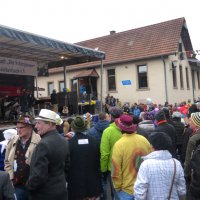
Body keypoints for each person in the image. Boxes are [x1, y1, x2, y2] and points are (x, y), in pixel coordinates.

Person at [26, 109, 70, 200]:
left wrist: (28, 186)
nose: (36, 126)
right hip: (61, 192)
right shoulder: (63, 140)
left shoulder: (44, 144)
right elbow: (67, 167)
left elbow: (38, 175)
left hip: (44, 195)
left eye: (39, 123)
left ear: (49, 124)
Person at [134, 132, 186, 200]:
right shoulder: (176, 163)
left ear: (152, 146)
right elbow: (182, 190)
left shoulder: (146, 164)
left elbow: (140, 191)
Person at [111, 114, 152, 200]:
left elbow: (116, 171)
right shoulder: (144, 140)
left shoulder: (119, 145)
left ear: (121, 128)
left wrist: (117, 187)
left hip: (126, 190)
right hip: (143, 189)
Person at [4, 115, 41, 200]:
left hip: (34, 186)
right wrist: (10, 178)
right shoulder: (13, 140)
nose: (18, 130)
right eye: (17, 128)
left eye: (21, 127)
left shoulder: (39, 141)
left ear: (30, 127)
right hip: (17, 186)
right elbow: (7, 162)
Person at [67, 116, 102, 200]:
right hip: (93, 184)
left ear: (73, 128)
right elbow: (98, 161)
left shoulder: (69, 144)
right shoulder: (94, 141)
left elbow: (66, 165)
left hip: (76, 186)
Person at [100, 107, 123, 200]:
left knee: (115, 193)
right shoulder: (126, 128)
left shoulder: (108, 131)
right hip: (127, 165)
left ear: (111, 117)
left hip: (113, 168)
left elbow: (105, 154)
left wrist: (103, 169)